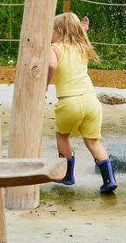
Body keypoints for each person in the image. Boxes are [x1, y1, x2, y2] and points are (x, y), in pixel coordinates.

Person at [47, 12, 117, 193]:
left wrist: (44, 84)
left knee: (62, 136)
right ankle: (109, 180)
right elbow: (79, 37)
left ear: (57, 31)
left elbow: (51, 65)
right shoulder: (82, 47)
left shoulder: (54, 48)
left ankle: (67, 175)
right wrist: (84, 30)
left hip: (68, 103)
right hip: (91, 103)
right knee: (93, 142)